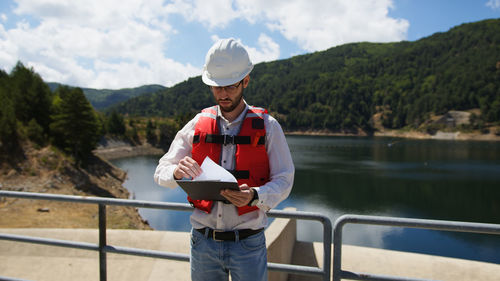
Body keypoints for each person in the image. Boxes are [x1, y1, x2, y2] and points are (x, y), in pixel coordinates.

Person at [154, 38, 294, 281]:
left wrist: (254, 195)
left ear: (245, 81)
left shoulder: (268, 127)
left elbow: (284, 180)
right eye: (217, 87)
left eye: (230, 86)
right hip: (203, 243)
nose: (223, 93)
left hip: (248, 244)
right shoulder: (197, 124)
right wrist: (177, 171)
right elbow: (161, 172)